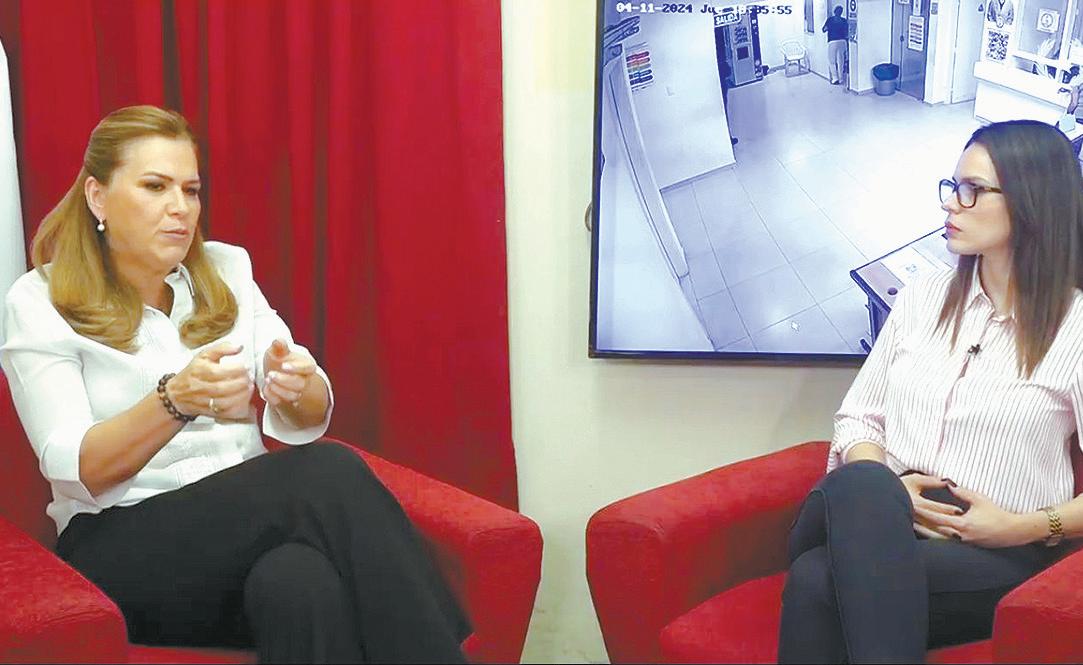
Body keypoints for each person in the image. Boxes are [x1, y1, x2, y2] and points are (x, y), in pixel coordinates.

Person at [0, 105, 469, 663]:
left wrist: (296, 386)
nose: (180, 208)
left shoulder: (227, 270)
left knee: (299, 581)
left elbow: (310, 406)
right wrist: (174, 401)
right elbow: (74, 467)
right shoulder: (40, 300)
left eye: (191, 190)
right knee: (327, 472)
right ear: (97, 197)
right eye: (155, 187)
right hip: (121, 547)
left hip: (243, 533)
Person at [777, 120, 1083, 663]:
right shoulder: (923, 297)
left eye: (972, 190)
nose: (950, 203)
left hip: (996, 550)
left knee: (815, 579)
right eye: (952, 186)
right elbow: (859, 419)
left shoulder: (1076, 330)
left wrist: (1022, 526)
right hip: (880, 515)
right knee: (864, 483)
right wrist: (893, 491)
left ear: (1033, 202)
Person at [822, 6, 848, 85]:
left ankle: (835, 78)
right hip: (843, 41)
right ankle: (841, 79)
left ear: (834, 11)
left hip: (833, 41)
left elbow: (824, 29)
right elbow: (847, 32)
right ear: (841, 12)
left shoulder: (830, 20)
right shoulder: (844, 20)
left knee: (832, 61)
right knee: (841, 61)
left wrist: (830, 27)